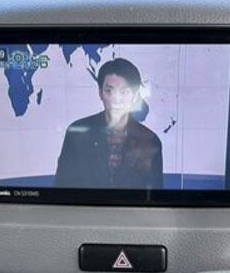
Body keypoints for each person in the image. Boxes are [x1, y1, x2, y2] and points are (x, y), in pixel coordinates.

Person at [54, 58, 163, 189]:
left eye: (124, 92)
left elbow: (154, 194)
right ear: (100, 93)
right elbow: (62, 188)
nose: (116, 99)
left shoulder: (150, 140)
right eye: (109, 91)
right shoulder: (77, 133)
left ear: (134, 96)